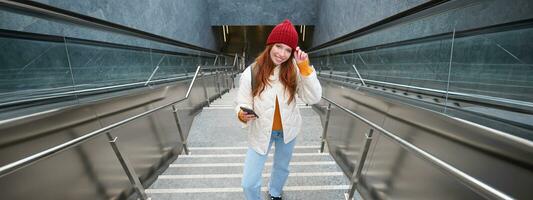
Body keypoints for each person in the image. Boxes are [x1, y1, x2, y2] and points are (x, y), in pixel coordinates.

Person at [234, 19, 322, 200]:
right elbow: (242, 102)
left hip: (287, 131)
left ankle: (275, 193)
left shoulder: (295, 71)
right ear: (270, 45)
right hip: (260, 130)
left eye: (288, 49)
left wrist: (305, 68)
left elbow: (313, 98)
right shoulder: (251, 72)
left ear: (293, 52)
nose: (282, 54)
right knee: (248, 182)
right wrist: (242, 114)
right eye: (279, 46)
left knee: (282, 167)